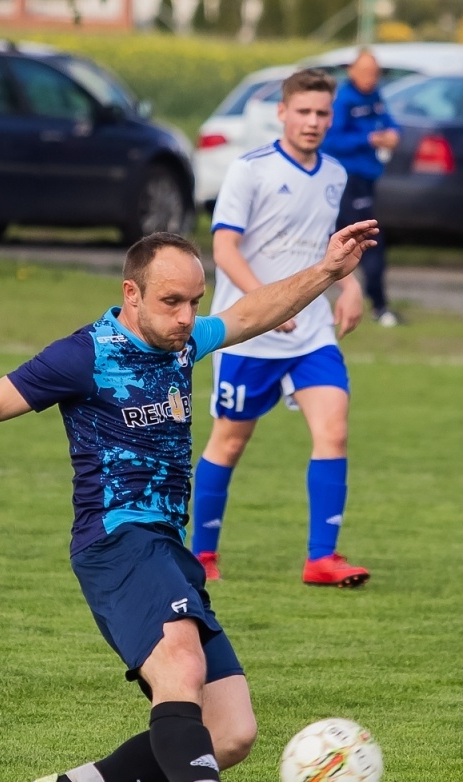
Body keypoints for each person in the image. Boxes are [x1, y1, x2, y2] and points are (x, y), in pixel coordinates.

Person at [0, 221, 379, 782]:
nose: (186, 317)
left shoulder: (181, 342)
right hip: (115, 541)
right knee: (181, 666)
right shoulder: (83, 355)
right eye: (172, 301)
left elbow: (251, 312)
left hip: (167, 547)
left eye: (194, 301)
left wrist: (328, 272)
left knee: (229, 733)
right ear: (131, 294)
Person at [191, 68, 372, 589]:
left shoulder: (334, 174)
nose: (313, 122)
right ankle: (201, 555)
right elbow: (224, 248)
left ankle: (322, 558)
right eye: (304, 112)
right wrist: (265, 302)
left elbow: (325, 246)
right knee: (229, 442)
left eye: (322, 113)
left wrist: (350, 287)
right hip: (248, 332)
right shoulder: (250, 170)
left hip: (311, 333)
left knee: (334, 429)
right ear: (282, 113)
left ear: (331, 118)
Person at [321, 49, 400, 327]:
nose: (371, 78)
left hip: (367, 179)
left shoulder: (375, 96)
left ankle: (372, 302)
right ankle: (378, 305)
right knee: (367, 239)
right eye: (366, 72)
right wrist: (369, 139)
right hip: (347, 181)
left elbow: (389, 122)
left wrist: (393, 134)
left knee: (360, 240)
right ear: (352, 72)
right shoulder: (343, 100)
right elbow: (331, 141)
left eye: (375, 73)